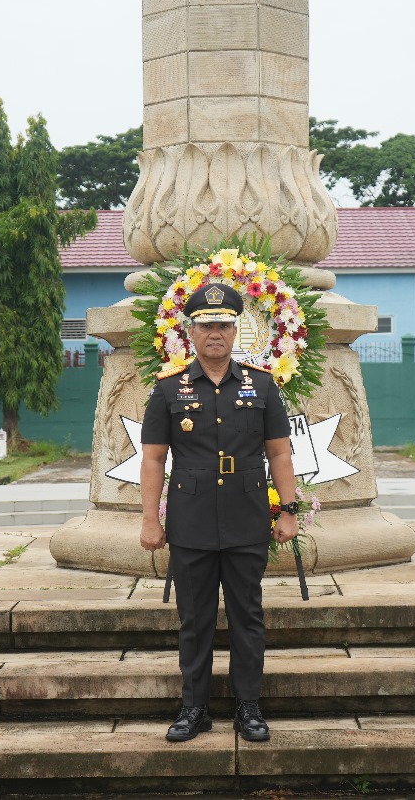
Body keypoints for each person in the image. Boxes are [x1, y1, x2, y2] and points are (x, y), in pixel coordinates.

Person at [138, 282, 300, 743]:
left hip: (247, 517)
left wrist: (288, 510)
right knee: (195, 618)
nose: (215, 333)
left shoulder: (262, 386)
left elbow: (280, 455)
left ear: (236, 331)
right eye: (207, 325)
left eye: (224, 325)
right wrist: (151, 520)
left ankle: (249, 706)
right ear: (191, 331)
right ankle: (195, 708)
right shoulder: (169, 391)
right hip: (190, 521)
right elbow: (152, 459)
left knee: (248, 615)